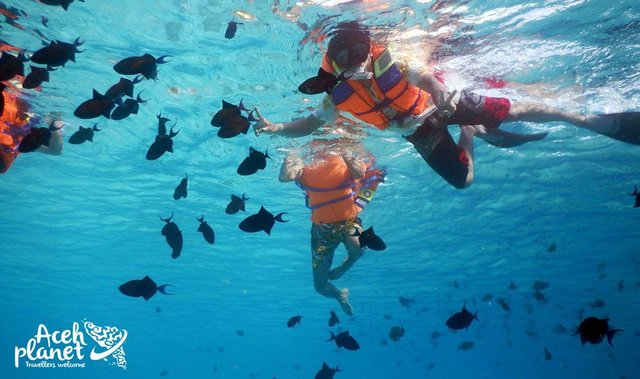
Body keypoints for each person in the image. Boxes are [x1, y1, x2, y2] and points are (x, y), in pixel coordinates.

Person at [255, 21, 638, 189]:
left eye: (359, 51)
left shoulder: (390, 61)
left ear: (369, 47)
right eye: (343, 55)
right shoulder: (334, 94)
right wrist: (275, 127)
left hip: (441, 108)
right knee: (463, 181)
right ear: (331, 58)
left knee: (521, 110)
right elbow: (310, 125)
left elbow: (427, 79)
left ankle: (586, 119)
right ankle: (472, 134)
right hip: (418, 132)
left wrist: (441, 97)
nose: (353, 61)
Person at [279, 138, 385, 316]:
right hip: (321, 230)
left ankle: (349, 261)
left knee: (356, 245)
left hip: (349, 221)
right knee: (320, 287)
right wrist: (290, 155)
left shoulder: (344, 157)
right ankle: (339, 295)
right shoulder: (304, 164)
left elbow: (359, 173)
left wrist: (345, 154)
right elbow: (284, 177)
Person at [1, 84, 64, 174]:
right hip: (23, 92)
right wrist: (54, 123)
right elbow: (55, 150)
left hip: (20, 92)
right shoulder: (16, 144)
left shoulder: (14, 145)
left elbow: (56, 150)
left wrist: (54, 124)